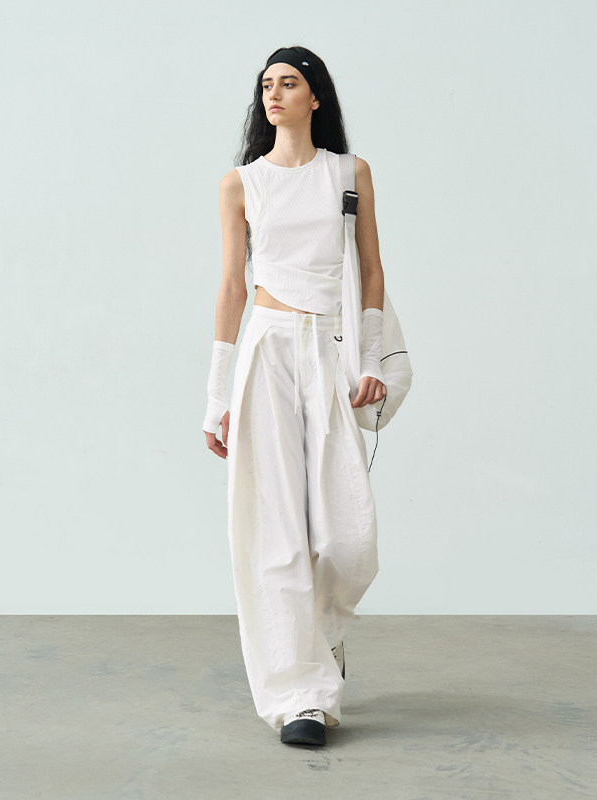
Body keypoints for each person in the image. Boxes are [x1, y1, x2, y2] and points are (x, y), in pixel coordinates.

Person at [202, 45, 387, 747]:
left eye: (289, 83)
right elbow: (231, 288)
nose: (274, 94)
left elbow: (372, 271)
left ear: (315, 97)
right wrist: (215, 396)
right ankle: (302, 698)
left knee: (347, 534)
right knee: (274, 528)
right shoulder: (240, 184)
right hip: (267, 348)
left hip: (329, 351)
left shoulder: (349, 174)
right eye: (266, 86)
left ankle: (323, 635)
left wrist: (370, 357)